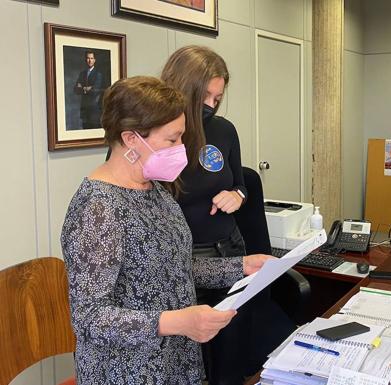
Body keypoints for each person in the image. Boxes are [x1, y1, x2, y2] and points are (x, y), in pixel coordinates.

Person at [61, 76, 271, 384]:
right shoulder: (97, 208)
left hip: (176, 359)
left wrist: (241, 266)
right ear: (131, 138)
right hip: (129, 371)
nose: (181, 149)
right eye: (172, 140)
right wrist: (173, 322)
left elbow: (174, 268)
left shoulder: (155, 190)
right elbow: (90, 318)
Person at [161, 46, 293, 385]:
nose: (211, 105)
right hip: (187, 258)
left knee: (231, 354)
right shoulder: (158, 138)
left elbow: (241, 182)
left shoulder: (224, 130)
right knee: (188, 359)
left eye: (217, 98)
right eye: (204, 96)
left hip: (230, 249)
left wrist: (237, 196)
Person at [73, 50, 104, 129]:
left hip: (94, 109)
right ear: (85, 60)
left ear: (94, 60)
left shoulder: (98, 74)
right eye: (88, 58)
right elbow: (76, 90)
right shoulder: (82, 74)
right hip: (84, 110)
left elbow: (95, 91)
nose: (89, 60)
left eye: (91, 58)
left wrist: (82, 87)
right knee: (85, 131)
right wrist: (86, 88)